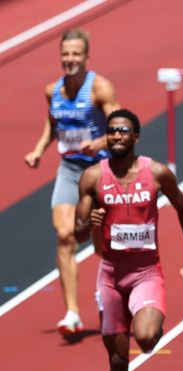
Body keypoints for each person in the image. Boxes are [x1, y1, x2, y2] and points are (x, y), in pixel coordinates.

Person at [74, 109, 183, 371]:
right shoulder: (92, 178)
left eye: (123, 131)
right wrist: (93, 223)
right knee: (117, 360)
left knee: (144, 339)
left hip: (146, 272)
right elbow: (78, 233)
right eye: (112, 131)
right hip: (111, 277)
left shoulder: (156, 173)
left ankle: (147, 319)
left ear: (136, 137)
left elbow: (182, 207)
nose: (116, 136)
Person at [26, 27, 120, 337]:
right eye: (65, 54)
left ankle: (111, 297)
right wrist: (39, 149)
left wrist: (101, 140)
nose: (70, 59)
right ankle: (72, 313)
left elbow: (124, 128)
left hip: (99, 171)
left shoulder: (100, 89)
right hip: (69, 169)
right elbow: (53, 124)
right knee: (64, 235)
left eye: (76, 54)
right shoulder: (52, 90)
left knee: (99, 244)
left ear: (87, 57)